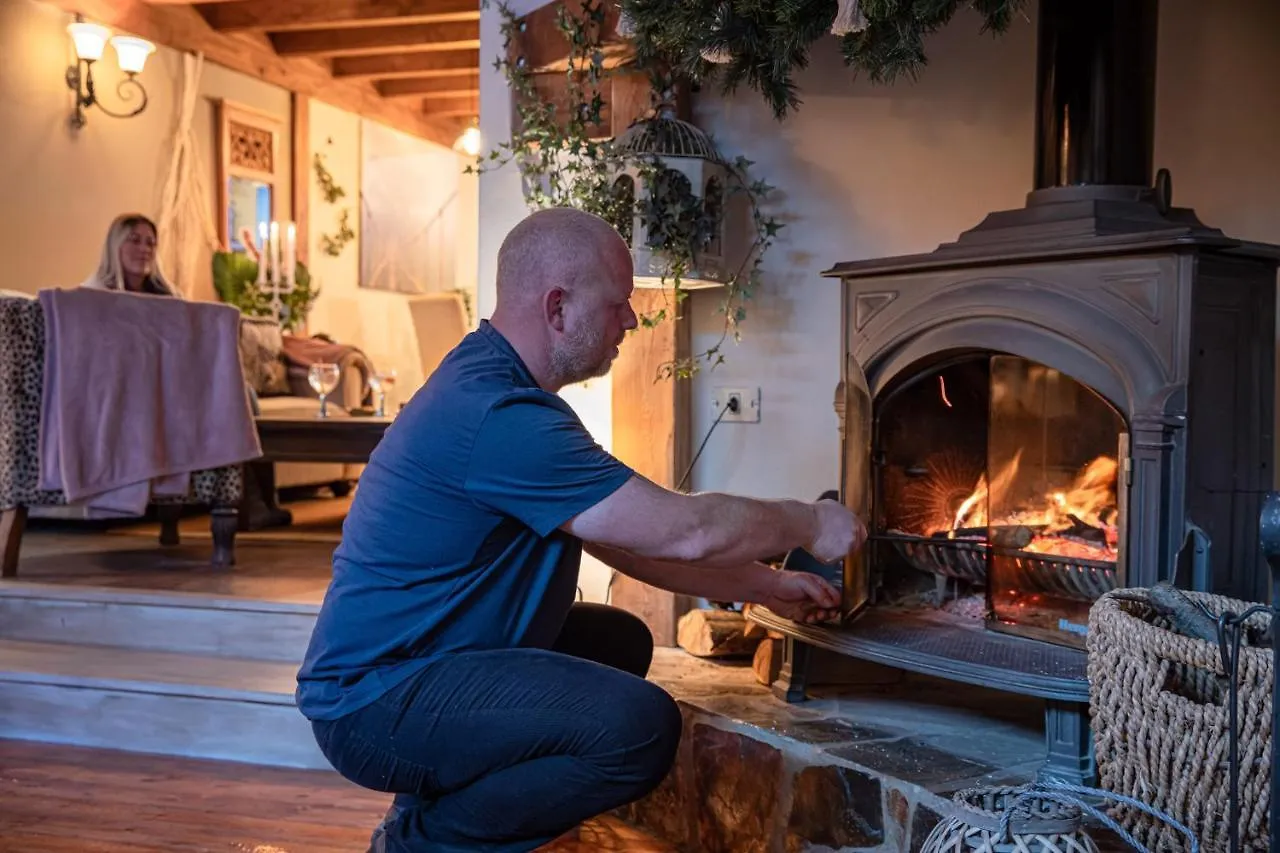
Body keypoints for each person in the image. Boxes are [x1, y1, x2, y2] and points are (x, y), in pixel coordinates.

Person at [295, 207, 867, 853]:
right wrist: (808, 519)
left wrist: (763, 584)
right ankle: (420, 841)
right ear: (559, 306)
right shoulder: (500, 416)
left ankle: (435, 815)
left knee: (612, 639)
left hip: (417, 670)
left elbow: (629, 537)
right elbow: (686, 530)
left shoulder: (505, 390)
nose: (631, 319)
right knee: (637, 726)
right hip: (375, 703)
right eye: (619, 302)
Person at [80, 213, 179, 296]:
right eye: (135, 240)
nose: (145, 249)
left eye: (150, 243)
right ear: (115, 246)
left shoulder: (169, 297)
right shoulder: (94, 295)